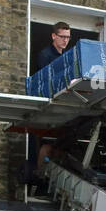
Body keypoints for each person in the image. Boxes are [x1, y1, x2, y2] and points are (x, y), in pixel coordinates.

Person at [29, 22, 73, 182]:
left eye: (68, 37)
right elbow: (46, 79)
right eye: (62, 37)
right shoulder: (45, 55)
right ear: (54, 36)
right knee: (45, 144)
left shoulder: (67, 57)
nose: (65, 41)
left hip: (64, 103)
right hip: (49, 103)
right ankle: (39, 178)